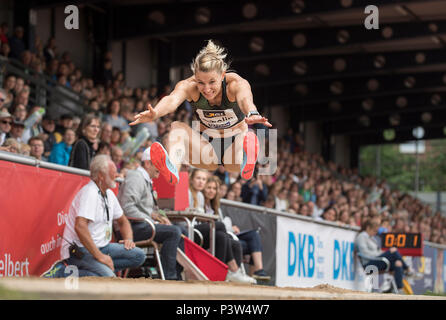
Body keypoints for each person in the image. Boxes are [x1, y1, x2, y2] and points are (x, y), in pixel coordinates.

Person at [130, 40, 272, 186]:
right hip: (207, 149)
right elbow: (172, 100)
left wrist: (252, 112)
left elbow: (245, 99)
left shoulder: (235, 84)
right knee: (177, 127)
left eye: (212, 82)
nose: (206, 89)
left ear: (222, 75)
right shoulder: (189, 87)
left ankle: (247, 157)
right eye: (201, 82)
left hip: (234, 148)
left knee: (242, 144)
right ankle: (172, 167)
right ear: (195, 78)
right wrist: (156, 112)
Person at [60, 155, 146, 277]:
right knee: (109, 277)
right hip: (80, 251)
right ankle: (66, 273)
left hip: (103, 247)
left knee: (139, 255)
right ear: (100, 175)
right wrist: (100, 257)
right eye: (113, 172)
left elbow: (123, 221)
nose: (117, 175)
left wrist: (129, 240)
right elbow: (80, 226)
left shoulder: (109, 193)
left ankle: (97, 271)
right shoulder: (90, 192)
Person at [117, 147, 184, 280]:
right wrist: (152, 221)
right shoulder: (136, 177)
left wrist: (158, 217)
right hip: (130, 228)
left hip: (140, 224)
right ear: (148, 163)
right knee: (174, 232)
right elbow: (127, 207)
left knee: (182, 232)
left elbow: (144, 208)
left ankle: (175, 274)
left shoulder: (145, 179)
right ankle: (169, 277)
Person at [188, 169, 256, 284]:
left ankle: (221, 275)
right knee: (219, 226)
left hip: (201, 231)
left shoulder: (199, 195)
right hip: (189, 230)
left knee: (226, 238)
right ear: (191, 179)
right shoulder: (188, 192)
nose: (201, 182)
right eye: (198, 178)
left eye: (203, 179)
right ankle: (234, 269)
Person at [204, 176, 270, 280]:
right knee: (232, 241)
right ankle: (235, 272)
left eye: (214, 188)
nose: (212, 191)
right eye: (209, 188)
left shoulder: (216, 207)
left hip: (223, 234)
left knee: (254, 236)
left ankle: (257, 271)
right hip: (212, 236)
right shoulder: (199, 201)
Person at [355, 219, 413, 294]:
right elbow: (365, 253)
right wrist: (382, 254)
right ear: (368, 228)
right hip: (369, 263)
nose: (375, 233)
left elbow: (378, 251)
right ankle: (407, 269)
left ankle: (399, 289)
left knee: (398, 263)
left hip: (377, 260)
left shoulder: (372, 238)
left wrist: (384, 253)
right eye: (374, 231)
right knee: (393, 251)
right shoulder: (362, 236)